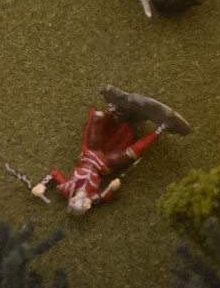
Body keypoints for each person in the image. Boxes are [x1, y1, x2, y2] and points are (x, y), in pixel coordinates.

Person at [30, 88, 190, 216]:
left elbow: (55, 173)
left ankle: (114, 108)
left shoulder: (67, 189)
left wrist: (42, 184)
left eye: (81, 203)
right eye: (86, 206)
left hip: (89, 154)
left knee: (95, 128)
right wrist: (113, 186)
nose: (86, 203)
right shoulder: (94, 198)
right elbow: (107, 194)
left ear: (73, 200)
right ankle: (161, 128)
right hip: (104, 164)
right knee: (128, 155)